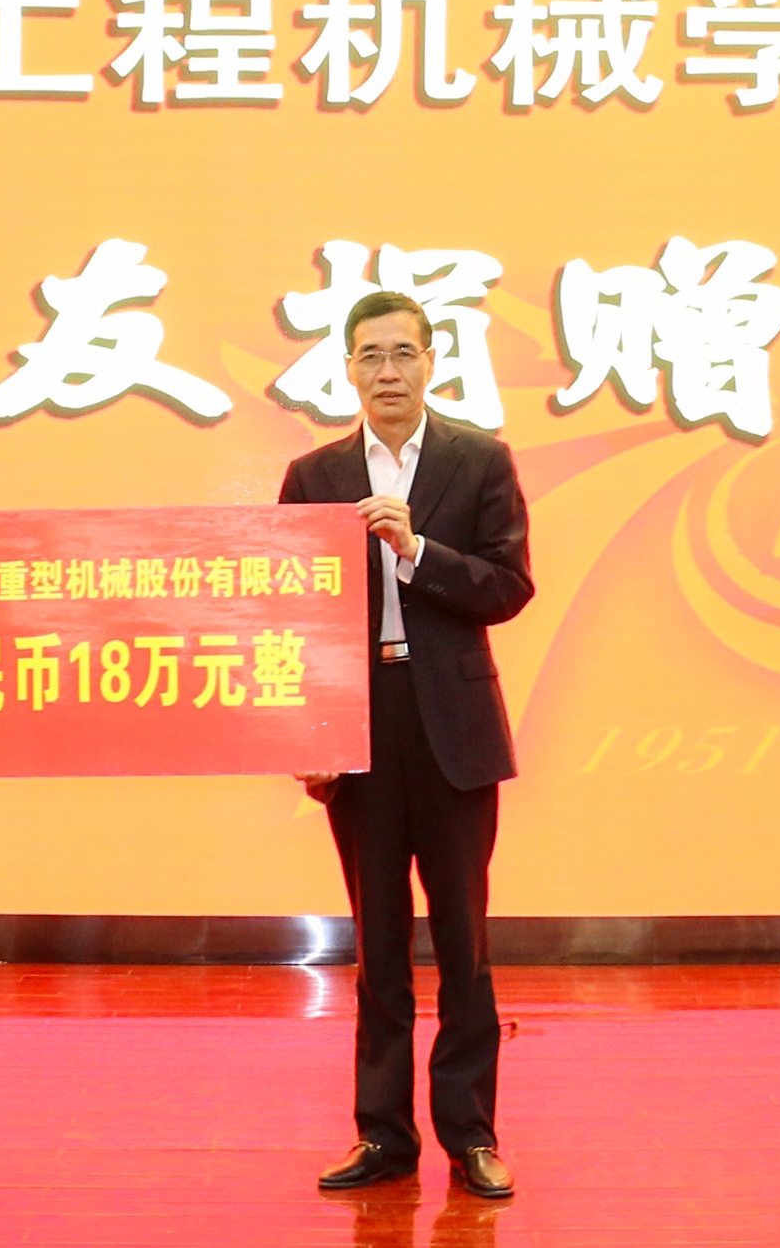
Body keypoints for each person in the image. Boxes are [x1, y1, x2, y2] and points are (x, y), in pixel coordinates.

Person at [280, 290, 534, 1201]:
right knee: (377, 943)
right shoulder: (313, 475)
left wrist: (417, 550)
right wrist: (306, 727)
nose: (387, 371)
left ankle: (470, 1133)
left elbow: (507, 586)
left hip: (453, 726)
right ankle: (382, 1135)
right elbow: (292, 617)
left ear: (431, 362)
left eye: (403, 354)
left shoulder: (479, 459)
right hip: (360, 725)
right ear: (347, 370)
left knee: (463, 940)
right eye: (370, 356)